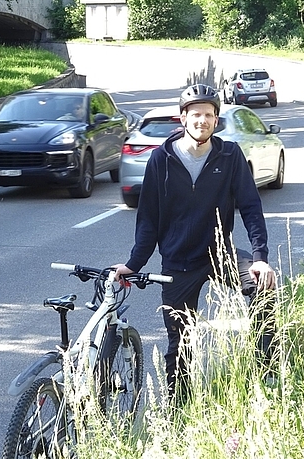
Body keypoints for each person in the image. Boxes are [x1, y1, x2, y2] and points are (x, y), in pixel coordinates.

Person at [113, 83, 277, 402]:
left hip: (221, 254)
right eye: (196, 114)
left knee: (264, 285)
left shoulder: (229, 156)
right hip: (179, 261)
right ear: (183, 118)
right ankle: (181, 410)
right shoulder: (161, 159)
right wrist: (134, 264)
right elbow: (148, 219)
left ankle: (266, 375)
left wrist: (259, 256)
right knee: (181, 343)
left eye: (209, 115)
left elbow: (251, 207)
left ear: (216, 120)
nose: (202, 120)